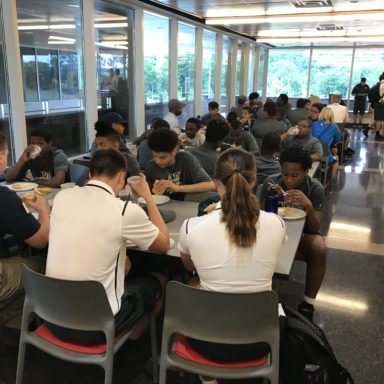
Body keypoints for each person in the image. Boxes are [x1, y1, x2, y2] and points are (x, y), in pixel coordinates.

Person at [178, 148, 286, 373]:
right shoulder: (277, 224)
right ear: (254, 181)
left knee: (192, 285)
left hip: (204, 339)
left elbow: (189, 267)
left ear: (217, 183)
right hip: (262, 340)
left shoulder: (192, 227)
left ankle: (206, 376)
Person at [45, 149, 170, 343]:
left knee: (125, 269)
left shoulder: (62, 197)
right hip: (95, 327)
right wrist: (147, 196)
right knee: (161, 279)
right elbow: (163, 244)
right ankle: (133, 340)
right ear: (122, 176)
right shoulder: (125, 210)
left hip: (50, 315)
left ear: (89, 174)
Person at [260, 146, 326, 320]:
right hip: (272, 231)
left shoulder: (314, 189)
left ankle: (308, 303)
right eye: (285, 174)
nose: (288, 180)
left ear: (306, 171)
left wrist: (308, 206)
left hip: (301, 234)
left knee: (319, 246)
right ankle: (258, 292)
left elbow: (314, 228)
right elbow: (259, 217)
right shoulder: (271, 183)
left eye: (295, 175)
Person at [0, 131, 49, 329]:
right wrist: (43, 211)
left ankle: (11, 328)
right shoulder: (4, 198)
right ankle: (13, 330)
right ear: (1, 156)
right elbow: (40, 240)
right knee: (43, 266)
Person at [145, 128, 215, 200]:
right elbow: (148, 195)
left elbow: (210, 185)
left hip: (187, 201)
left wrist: (177, 188)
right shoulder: (150, 166)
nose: (158, 161)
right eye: (155, 156)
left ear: (174, 151)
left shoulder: (185, 158)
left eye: (163, 157)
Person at [312, 107, 341, 178]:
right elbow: (338, 139)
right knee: (336, 158)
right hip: (324, 153)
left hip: (312, 150)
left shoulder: (314, 124)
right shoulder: (334, 127)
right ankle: (330, 179)